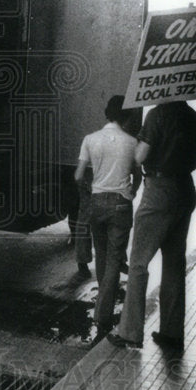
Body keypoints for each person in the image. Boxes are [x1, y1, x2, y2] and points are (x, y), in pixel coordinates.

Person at [110, 100, 196, 352]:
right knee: (174, 263)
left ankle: (130, 333)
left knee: (139, 263)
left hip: (159, 192)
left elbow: (141, 156)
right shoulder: (195, 119)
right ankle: (172, 333)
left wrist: (136, 148)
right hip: (185, 190)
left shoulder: (158, 115)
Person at [74, 96, 142, 342]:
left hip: (97, 202)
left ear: (107, 114)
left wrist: (91, 189)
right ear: (125, 117)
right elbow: (138, 174)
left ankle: (103, 301)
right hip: (121, 205)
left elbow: (79, 174)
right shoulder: (132, 142)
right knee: (115, 257)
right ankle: (102, 314)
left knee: (101, 254)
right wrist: (132, 192)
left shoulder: (90, 140)